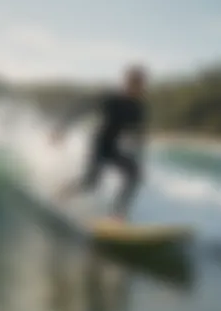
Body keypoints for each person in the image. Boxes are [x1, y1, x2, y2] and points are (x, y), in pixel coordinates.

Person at [49, 65, 150, 222]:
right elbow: (83, 107)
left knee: (134, 174)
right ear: (127, 82)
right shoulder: (112, 99)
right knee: (91, 182)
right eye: (134, 83)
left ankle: (117, 215)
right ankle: (60, 195)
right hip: (98, 144)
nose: (138, 87)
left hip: (113, 148)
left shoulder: (137, 108)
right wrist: (62, 128)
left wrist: (139, 158)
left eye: (141, 84)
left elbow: (139, 135)